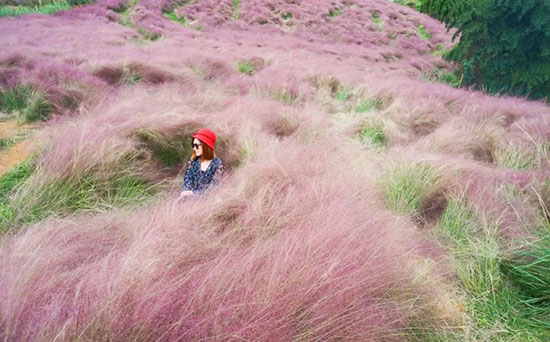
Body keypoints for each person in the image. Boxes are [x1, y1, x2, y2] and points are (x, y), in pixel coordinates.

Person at [177, 128, 223, 202]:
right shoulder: (194, 162)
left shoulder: (217, 164)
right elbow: (187, 179)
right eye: (193, 145)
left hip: (207, 201)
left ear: (205, 146)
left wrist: (193, 193)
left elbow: (213, 188)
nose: (194, 148)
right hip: (190, 200)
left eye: (196, 145)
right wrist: (186, 191)